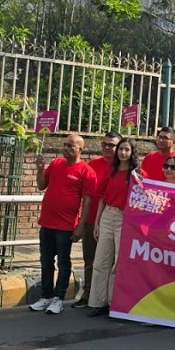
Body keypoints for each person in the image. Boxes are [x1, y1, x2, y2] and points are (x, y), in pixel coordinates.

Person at [30, 135, 96, 315]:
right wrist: (40, 169)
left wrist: (80, 226)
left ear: (80, 149)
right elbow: (41, 185)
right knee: (46, 261)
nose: (66, 148)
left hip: (66, 226)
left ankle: (58, 298)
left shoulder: (86, 171)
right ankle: (46, 296)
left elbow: (87, 201)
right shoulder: (56, 163)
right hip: (47, 222)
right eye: (65, 145)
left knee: (63, 262)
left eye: (71, 146)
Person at [87, 140, 137, 317]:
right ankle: (98, 302)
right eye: (121, 149)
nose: (123, 153)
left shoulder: (136, 175)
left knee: (119, 262)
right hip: (108, 215)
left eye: (127, 149)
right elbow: (102, 197)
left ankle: (114, 302)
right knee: (101, 261)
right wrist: (97, 222)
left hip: (125, 218)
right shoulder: (111, 171)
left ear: (132, 152)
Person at [74, 131, 119, 308]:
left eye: (111, 145)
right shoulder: (93, 164)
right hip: (91, 219)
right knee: (90, 260)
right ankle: (88, 294)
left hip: (111, 222)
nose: (107, 148)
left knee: (111, 261)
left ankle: (108, 298)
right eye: (104, 144)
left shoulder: (123, 168)